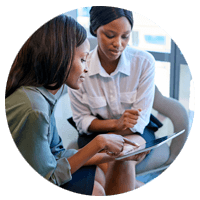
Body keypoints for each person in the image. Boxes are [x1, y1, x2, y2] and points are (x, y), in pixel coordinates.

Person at [5, 14, 142, 196]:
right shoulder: (34, 110)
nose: (86, 68)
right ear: (60, 57)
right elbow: (49, 176)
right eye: (83, 59)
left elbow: (56, 154)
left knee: (99, 177)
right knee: (97, 190)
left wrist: (112, 155)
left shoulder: (43, 94)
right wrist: (99, 141)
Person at [68, 6, 163, 195]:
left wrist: (118, 129)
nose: (118, 44)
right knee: (114, 168)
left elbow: (140, 121)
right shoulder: (81, 65)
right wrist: (116, 123)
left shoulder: (144, 62)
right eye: (110, 35)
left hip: (137, 133)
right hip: (94, 138)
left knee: (123, 156)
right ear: (95, 29)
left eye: (125, 36)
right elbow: (82, 122)